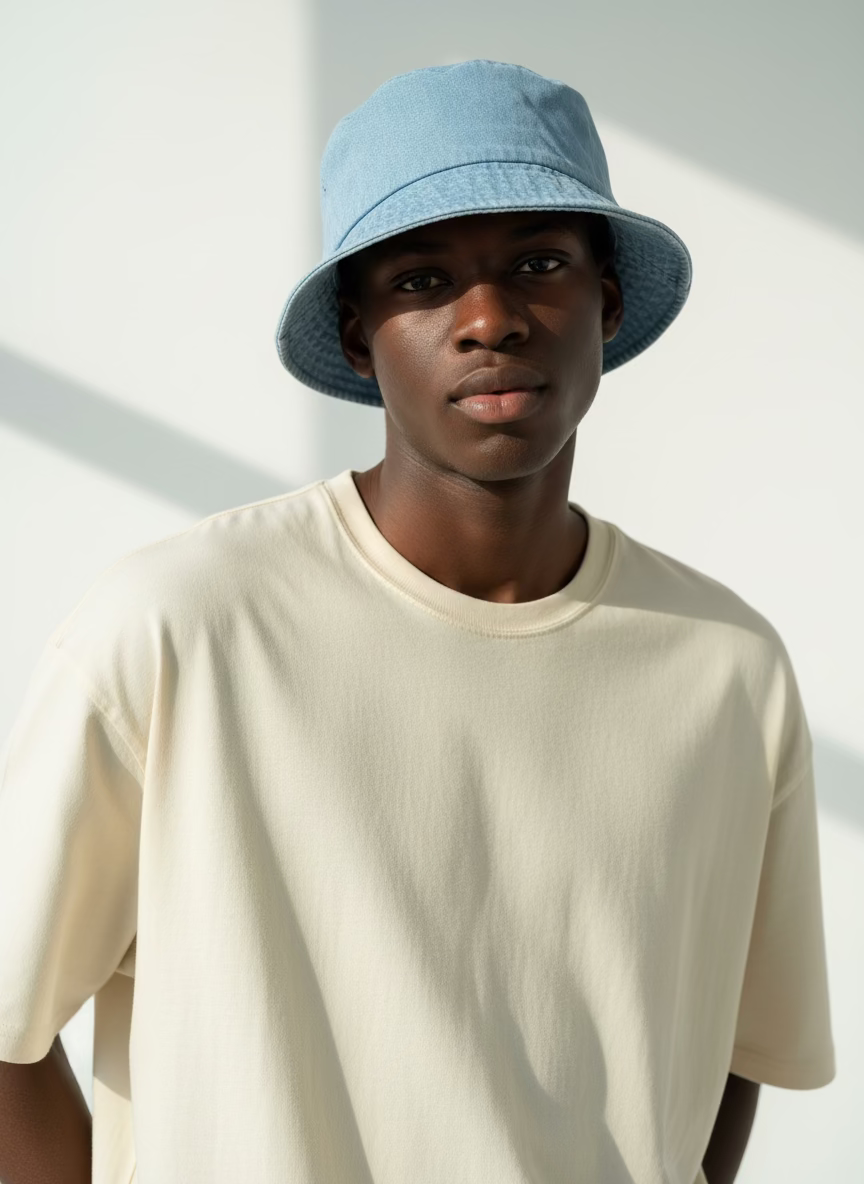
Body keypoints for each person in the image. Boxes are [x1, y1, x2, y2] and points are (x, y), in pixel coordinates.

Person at [0, 59, 835, 1184]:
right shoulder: (176, 630)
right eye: (424, 277)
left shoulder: (726, 667)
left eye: (539, 263)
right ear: (357, 337)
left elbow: (737, 1046)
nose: (489, 318)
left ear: (610, 302)